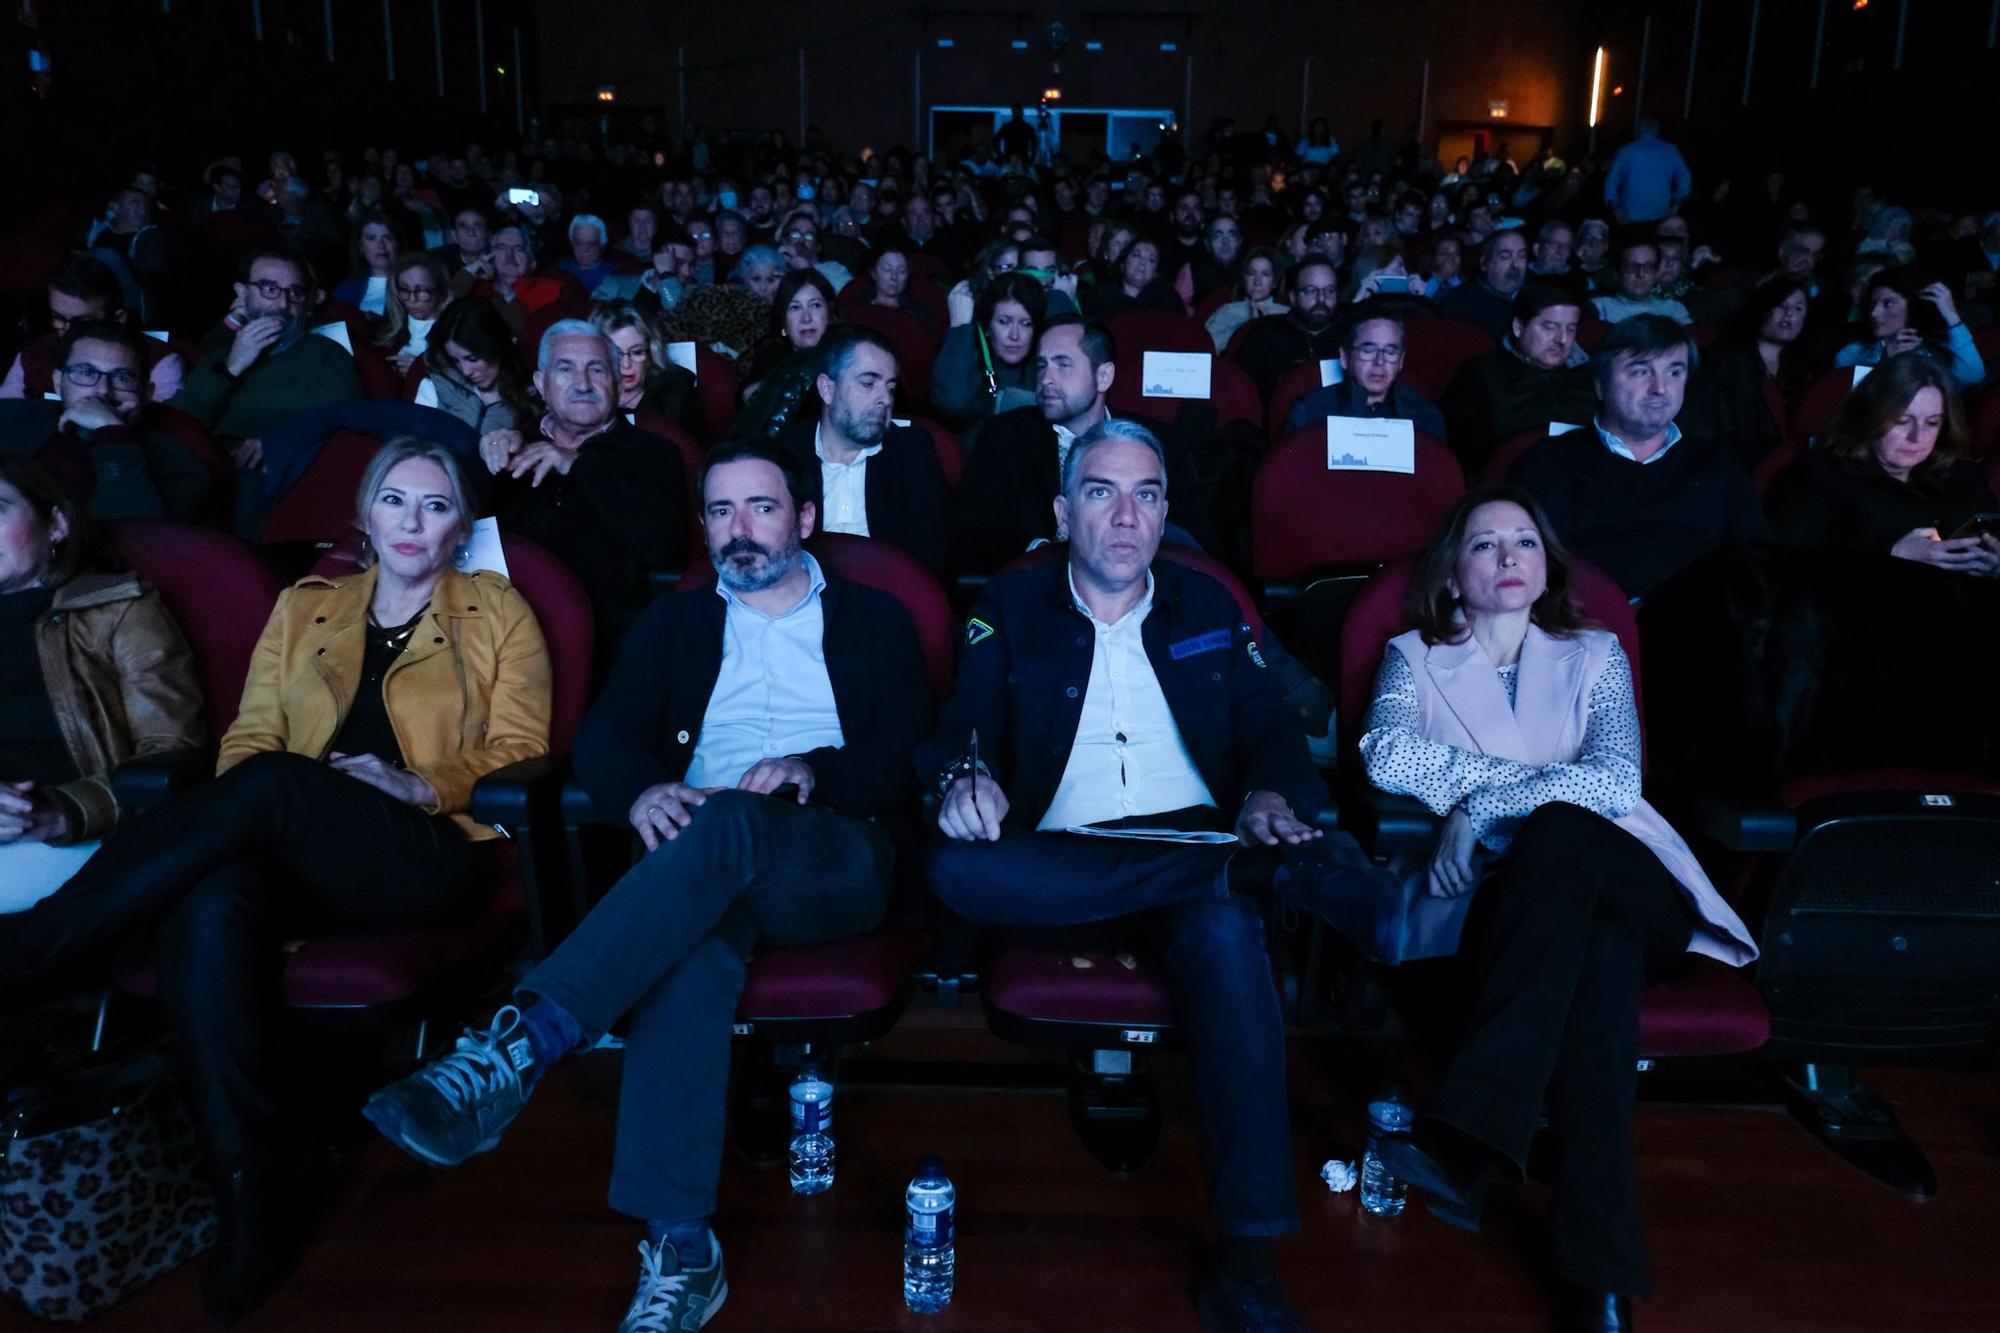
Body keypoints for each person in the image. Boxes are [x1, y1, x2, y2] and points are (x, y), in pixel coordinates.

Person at [366, 439, 928, 1333]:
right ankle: (681, 1247)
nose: (739, 531)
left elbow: (908, 755)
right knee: (693, 951)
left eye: (762, 508)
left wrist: (810, 770)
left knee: (734, 821)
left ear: (806, 519)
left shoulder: (874, 619)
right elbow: (605, 737)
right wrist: (643, 790)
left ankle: (527, 1039)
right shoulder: (674, 626)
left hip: (831, 857)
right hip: (698, 860)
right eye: (720, 512)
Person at [0, 439, 551, 1323]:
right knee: (215, 896)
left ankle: (37, 944)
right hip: (299, 845)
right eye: (395, 501)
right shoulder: (307, 605)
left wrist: (418, 782)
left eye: (436, 504)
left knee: (277, 785)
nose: (413, 521)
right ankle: (250, 1194)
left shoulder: (499, 613)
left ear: (461, 526)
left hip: (425, 849)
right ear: (365, 516)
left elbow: (522, 747)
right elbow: (250, 738)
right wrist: (295, 797)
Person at [923, 418, 1391, 1333]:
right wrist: (962, 775)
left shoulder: (1210, 607)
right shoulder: (1007, 607)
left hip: (1197, 845)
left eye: (1145, 494)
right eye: (1102, 491)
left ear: (1167, 511)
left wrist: (1263, 793)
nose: (1126, 514)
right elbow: (965, 718)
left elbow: (1272, 731)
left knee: (1224, 932)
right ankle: (1250, 879)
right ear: (1064, 512)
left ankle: (1247, 1264)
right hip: (1060, 859)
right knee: (954, 864)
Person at [1358, 485, 1755, 1333]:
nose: (1507, 558)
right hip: (1508, 919)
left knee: (1566, 834)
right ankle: (1598, 1277)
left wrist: (1476, 809)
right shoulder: (1413, 659)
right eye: (1485, 545)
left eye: (1524, 543)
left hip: (1630, 880)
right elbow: (1385, 752)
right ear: (1453, 572)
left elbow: (1614, 782)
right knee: (1598, 969)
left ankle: (1470, 1124)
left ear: (1546, 567)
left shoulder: (1596, 652)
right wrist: (1522, 802)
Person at [0, 457, 203, 914]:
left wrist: (61, 811)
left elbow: (170, 752)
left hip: (72, 835)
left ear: (55, 524)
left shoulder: (117, 610)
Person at [1509, 314, 1770, 599]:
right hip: (1592, 623)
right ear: (1600, 384)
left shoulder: (1719, 461)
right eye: (1640, 371)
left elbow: (1757, 561)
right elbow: (1542, 571)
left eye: (1674, 372)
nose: (1660, 388)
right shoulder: (1550, 461)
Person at [480, 322, 688, 656]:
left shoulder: (653, 452)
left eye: (597, 369)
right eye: (565, 369)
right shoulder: (511, 448)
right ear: (540, 384)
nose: (582, 383)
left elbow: (664, 548)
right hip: (501, 636)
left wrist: (577, 465)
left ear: (618, 384)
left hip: (607, 643)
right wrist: (484, 461)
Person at [950, 318, 1214, 572]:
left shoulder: (1158, 441)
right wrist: (1041, 553)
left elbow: (1195, 539)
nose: (1046, 379)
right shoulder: (1005, 434)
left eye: (1063, 365)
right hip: (1038, 589)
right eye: (1042, 366)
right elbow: (972, 529)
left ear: (1103, 376)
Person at [1768, 353, 2000, 574]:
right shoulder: (1818, 476)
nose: (1918, 437)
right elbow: (1785, 570)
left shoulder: (1961, 474)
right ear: (1870, 416)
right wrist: (1891, 556)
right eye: (1902, 421)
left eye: (1932, 422)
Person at [778, 326, 948, 574]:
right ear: (827, 389)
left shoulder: (911, 449)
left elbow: (927, 560)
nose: (885, 399)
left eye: (890, 387)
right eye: (868, 383)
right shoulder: (788, 452)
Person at [13, 322, 211, 520]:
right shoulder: (14, 421)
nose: (103, 390)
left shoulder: (182, 471)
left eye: (122, 378)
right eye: (86, 373)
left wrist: (110, 433)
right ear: (58, 382)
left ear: (147, 393)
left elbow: (135, 539)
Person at [176, 252, 361, 457]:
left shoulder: (328, 352)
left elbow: (342, 415)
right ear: (243, 293)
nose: (283, 304)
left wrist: (278, 442)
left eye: (295, 292)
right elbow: (179, 419)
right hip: (212, 464)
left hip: (285, 466)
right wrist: (232, 368)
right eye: (269, 289)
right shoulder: (222, 353)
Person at [1442, 282, 1600, 469]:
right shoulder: (1479, 375)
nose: (1562, 339)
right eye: (1550, 327)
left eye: (1571, 329)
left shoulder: (1589, 377)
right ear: (1518, 327)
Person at [0, 252, 183, 403]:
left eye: (83, 322)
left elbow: (165, 439)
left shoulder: (159, 363)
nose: (68, 330)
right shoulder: (33, 356)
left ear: (118, 318)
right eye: (59, 318)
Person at [1680, 277, 1811, 468]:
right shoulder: (1721, 362)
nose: (1789, 313)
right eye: (1780, 305)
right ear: (1762, 309)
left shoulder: (1801, 371)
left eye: (1798, 308)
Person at [1284, 309, 1446, 439]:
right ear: (1344, 357)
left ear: (1401, 361)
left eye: (1390, 352)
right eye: (1368, 350)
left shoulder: (1424, 415)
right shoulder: (1309, 411)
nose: (1379, 361)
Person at [932, 271, 1045, 434]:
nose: (1015, 335)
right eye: (1004, 322)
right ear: (987, 327)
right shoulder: (969, 364)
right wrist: (960, 327)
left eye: (1026, 324)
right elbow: (951, 404)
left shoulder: (1043, 371)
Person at [1834, 266, 1984, 389]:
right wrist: (1885, 366)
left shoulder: (1935, 352)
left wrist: (1952, 316)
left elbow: (1973, 375)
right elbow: (1857, 405)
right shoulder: (1853, 354)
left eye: (1888, 304)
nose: (1874, 313)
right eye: (1873, 304)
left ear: (1913, 307)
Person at [736, 269, 841, 440]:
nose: (806, 318)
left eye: (815, 305)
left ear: (829, 312)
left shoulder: (851, 353)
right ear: (783, 318)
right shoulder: (769, 356)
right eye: (795, 307)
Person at [412, 298, 535, 436]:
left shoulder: (530, 387)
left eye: (472, 359)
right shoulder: (435, 384)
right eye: (455, 360)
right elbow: (418, 444)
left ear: (496, 346)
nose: (465, 371)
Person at [1233, 255, 1345, 402]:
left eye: (1329, 291)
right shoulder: (1264, 335)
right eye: (1311, 291)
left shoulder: (1351, 335)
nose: (1321, 299)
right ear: (1293, 297)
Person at [591, 300, 703, 435]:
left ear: (651, 351)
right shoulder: (585, 395)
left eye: (637, 352)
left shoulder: (677, 396)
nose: (626, 365)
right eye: (616, 354)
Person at [1440, 229, 1530, 342]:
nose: (1516, 265)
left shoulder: (1536, 296)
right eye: (1505, 256)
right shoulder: (1460, 302)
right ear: (1484, 263)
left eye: (1522, 256)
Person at [373, 253, 454, 374]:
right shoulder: (388, 333)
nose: (412, 299)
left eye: (422, 290)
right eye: (405, 290)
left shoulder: (455, 334)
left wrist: (422, 369)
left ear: (441, 292)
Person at [481, 225, 569, 337]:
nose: (510, 255)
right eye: (502, 248)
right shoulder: (478, 290)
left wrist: (508, 295)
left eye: (518, 249)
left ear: (532, 262)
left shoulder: (552, 291)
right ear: (490, 258)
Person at [1602, 119, 1691, 225]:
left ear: (1636, 132)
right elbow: (1685, 180)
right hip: (1662, 214)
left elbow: (1612, 181)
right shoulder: (1670, 150)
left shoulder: (1625, 151)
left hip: (1629, 215)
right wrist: (1676, 204)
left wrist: (1616, 208)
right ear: (1657, 131)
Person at [1591, 236, 1691, 325]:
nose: (1640, 274)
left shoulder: (1674, 310)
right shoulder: (1600, 308)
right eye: (1632, 267)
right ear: (1618, 272)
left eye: (1648, 267)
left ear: (1656, 273)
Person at [1204, 247, 1289, 352]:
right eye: (1252, 273)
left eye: (1265, 274)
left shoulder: (1286, 314)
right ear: (1244, 278)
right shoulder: (1226, 311)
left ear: (1274, 282)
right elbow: (1206, 348)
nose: (1257, 282)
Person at [1086, 237, 1184, 318]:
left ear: (1156, 273)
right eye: (1137, 255)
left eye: (1151, 260)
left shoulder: (1169, 300)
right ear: (1122, 264)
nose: (1143, 262)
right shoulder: (1100, 295)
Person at [333, 211, 403, 316]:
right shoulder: (345, 292)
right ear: (361, 247)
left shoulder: (414, 286)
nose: (381, 245)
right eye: (371, 238)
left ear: (397, 244)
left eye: (388, 238)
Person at [860, 239, 935, 336]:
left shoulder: (919, 313)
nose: (894, 277)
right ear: (873, 273)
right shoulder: (860, 309)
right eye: (887, 270)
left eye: (902, 271)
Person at [432, 206, 494, 299]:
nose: (471, 233)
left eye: (478, 227)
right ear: (454, 235)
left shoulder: (501, 262)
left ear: (489, 234)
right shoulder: (438, 263)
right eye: (464, 227)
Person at [557, 214, 618, 295]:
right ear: (572, 243)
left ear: (602, 245)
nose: (585, 249)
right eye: (579, 243)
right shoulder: (559, 270)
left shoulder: (613, 274)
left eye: (592, 244)